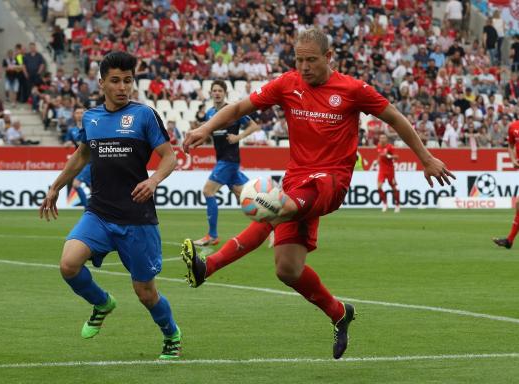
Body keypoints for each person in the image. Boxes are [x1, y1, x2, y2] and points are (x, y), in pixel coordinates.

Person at [181, 28, 454, 360]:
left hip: (330, 182)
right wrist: (205, 128)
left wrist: (425, 158)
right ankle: (339, 312)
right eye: (299, 60)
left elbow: (394, 117)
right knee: (287, 269)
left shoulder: (353, 90)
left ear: (329, 57)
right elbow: (239, 108)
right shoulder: (287, 84)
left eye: (311, 60)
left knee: (274, 206)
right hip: (297, 181)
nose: (305, 66)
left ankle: (208, 266)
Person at [38, 51, 182, 359]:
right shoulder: (92, 118)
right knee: (68, 264)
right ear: (101, 82)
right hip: (100, 213)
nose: (122, 87)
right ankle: (102, 303)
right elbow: (81, 156)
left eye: (128, 81)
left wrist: (154, 180)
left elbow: (169, 157)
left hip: (136, 217)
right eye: (115, 81)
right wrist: (54, 187)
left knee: (145, 292)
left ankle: (171, 334)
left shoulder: (144, 115)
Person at [193, 80, 261, 246]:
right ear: (211, 93)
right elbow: (208, 133)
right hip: (223, 160)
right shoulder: (209, 113)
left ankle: (212, 235)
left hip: (229, 160)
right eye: (214, 90)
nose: (217, 93)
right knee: (248, 197)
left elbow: (254, 126)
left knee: (208, 191)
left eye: (220, 91)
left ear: (225, 93)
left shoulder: (232, 111)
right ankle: (275, 225)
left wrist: (238, 137)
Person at [493, 119, 519, 249]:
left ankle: (509, 240)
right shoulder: (513, 126)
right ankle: (509, 240)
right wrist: (513, 160)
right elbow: (510, 145)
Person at [64, 106, 92, 207]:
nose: (79, 115)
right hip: (81, 162)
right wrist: (67, 144)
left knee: (76, 183)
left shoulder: (91, 127)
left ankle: (87, 209)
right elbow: (67, 142)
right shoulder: (72, 130)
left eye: (81, 113)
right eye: (77, 113)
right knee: (93, 188)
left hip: (92, 161)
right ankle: (94, 210)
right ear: (74, 115)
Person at [376, 134, 400, 213]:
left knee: (393, 187)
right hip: (382, 170)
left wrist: (388, 156)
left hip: (390, 170)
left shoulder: (390, 147)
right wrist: (378, 161)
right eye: (380, 138)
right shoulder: (378, 146)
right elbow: (379, 155)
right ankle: (385, 204)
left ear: (386, 139)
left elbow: (396, 157)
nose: (382, 139)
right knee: (379, 187)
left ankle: (397, 205)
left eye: (383, 138)